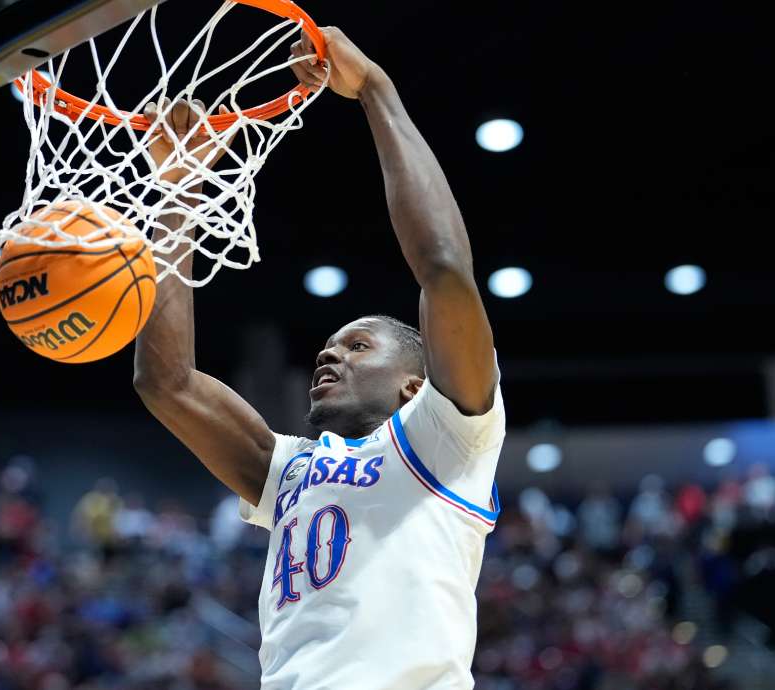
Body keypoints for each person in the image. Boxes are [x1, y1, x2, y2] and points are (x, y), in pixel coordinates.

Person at [132, 27, 505, 690]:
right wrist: (179, 192)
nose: (329, 353)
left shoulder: (448, 437)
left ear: (414, 386)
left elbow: (445, 270)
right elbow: (166, 382)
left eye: (358, 345)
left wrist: (375, 91)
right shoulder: (293, 469)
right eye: (328, 346)